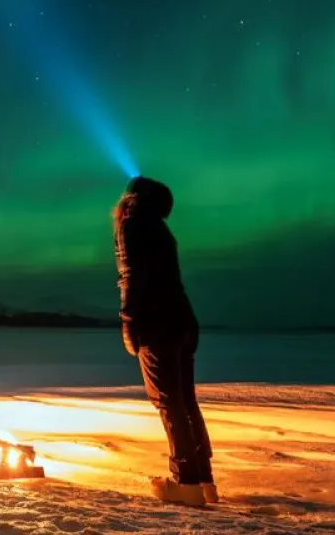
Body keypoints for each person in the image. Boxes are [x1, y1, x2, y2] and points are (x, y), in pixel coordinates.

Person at [113, 175, 216, 507]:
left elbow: (131, 276)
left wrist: (129, 321)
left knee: (169, 402)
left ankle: (186, 481)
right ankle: (204, 480)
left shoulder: (131, 225)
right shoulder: (161, 230)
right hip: (182, 320)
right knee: (185, 402)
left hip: (157, 324)